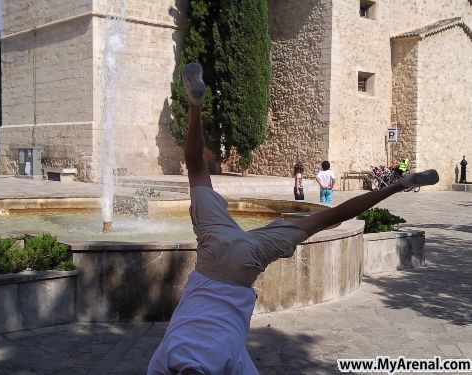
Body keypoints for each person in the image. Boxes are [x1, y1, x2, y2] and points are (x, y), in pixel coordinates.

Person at [147, 63, 439, 375]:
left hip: (242, 261)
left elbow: (195, 367)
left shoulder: (207, 359)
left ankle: (400, 185)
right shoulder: (171, 358)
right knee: (195, 166)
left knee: (327, 218)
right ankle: (195, 104)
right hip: (214, 249)